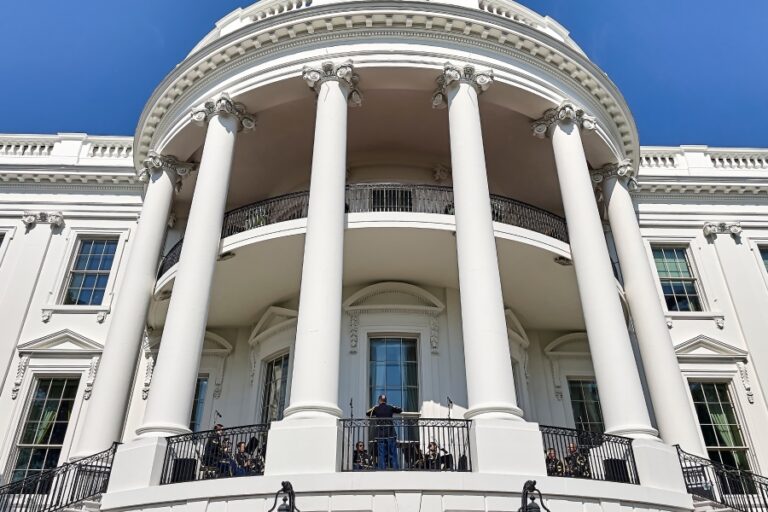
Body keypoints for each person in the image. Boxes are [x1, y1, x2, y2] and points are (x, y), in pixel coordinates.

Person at [367, 394, 402, 470]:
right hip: (391, 434)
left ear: (379, 400)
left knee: (381, 454)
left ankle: (382, 471)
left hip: (381, 434)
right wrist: (392, 406)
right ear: (386, 401)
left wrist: (374, 407)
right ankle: (396, 470)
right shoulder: (390, 407)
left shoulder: (376, 408)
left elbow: (367, 413)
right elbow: (400, 410)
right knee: (393, 454)